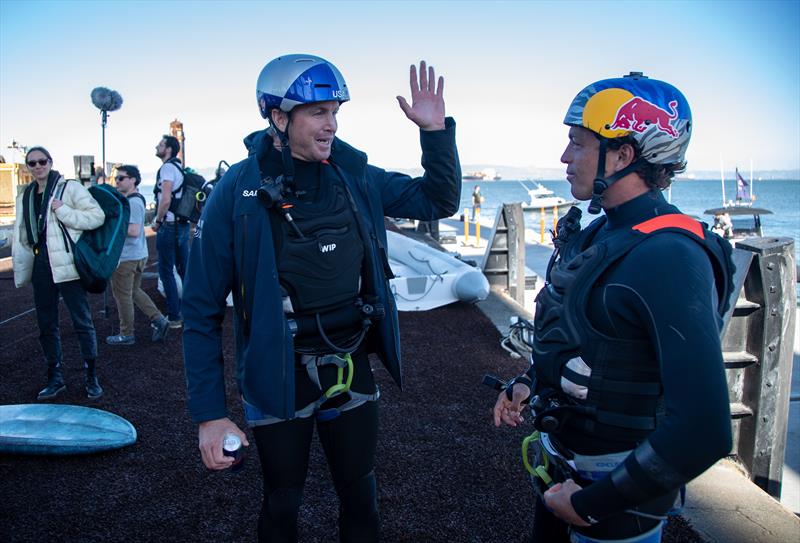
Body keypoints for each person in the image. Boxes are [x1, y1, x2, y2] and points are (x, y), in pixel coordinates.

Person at [182, 54, 460, 542]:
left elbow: (438, 200)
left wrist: (435, 135)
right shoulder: (236, 193)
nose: (331, 125)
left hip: (350, 362)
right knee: (281, 504)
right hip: (278, 373)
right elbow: (200, 311)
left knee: (361, 497)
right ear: (278, 118)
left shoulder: (355, 176)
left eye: (335, 111)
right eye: (317, 113)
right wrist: (209, 414)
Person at [492, 73, 736, 543]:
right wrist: (528, 383)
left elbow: (705, 429)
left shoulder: (669, 255)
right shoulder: (600, 235)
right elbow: (591, 342)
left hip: (612, 503)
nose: (565, 157)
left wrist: (588, 506)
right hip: (565, 474)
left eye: (578, 144)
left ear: (624, 154)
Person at [12, 146, 106, 399]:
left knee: (82, 322)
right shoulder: (26, 195)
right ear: (28, 167)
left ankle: (91, 376)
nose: (38, 166)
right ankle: (55, 377)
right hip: (40, 264)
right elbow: (22, 233)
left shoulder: (70, 188)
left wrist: (62, 209)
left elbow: (97, 217)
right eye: (32, 163)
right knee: (46, 324)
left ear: (51, 163)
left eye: (42, 161)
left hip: (67, 265)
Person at [105, 165, 170, 345]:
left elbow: (133, 231)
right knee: (133, 291)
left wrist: (110, 226)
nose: (117, 181)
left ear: (133, 180)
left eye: (121, 178)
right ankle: (158, 319)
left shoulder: (132, 203)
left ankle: (126, 334)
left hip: (127, 257)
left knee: (122, 296)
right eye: (116, 178)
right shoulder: (137, 199)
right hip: (138, 254)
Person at [152, 134, 188, 328]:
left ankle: (174, 316)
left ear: (168, 149)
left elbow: (165, 199)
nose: (156, 146)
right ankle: (190, 311)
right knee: (184, 269)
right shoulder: (178, 167)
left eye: (160, 144)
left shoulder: (166, 168)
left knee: (166, 271)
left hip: (169, 225)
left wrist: (158, 220)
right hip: (181, 224)